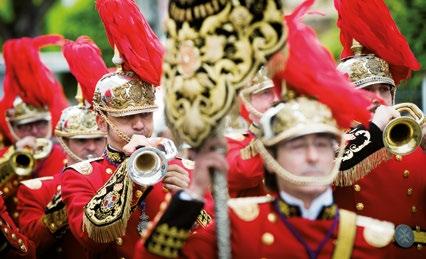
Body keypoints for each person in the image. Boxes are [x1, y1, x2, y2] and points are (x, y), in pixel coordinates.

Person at [134, 1, 395, 257]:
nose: (313, 156)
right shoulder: (239, 225)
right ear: (271, 158)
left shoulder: (372, 239)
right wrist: (192, 195)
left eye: (322, 144)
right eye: (297, 145)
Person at [60, 1, 212, 258]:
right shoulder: (79, 176)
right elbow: (90, 237)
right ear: (101, 122)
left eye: (145, 115)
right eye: (127, 117)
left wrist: (187, 200)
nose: (140, 124)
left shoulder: (184, 169)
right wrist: (129, 174)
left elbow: (216, 241)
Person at [332, 0, 426, 256]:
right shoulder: (330, 140)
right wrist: (374, 130)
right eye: (366, 90)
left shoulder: (414, 138)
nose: (377, 98)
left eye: (384, 89)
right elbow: (330, 172)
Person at [15, 36, 108, 259]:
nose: (92, 147)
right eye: (81, 141)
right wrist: (64, 201)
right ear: (64, 142)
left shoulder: (121, 176)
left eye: (98, 139)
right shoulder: (35, 190)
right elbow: (31, 246)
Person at [0, 35, 68, 222]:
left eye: (40, 124)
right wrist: (12, 158)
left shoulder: (65, 153)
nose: (35, 132)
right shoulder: (4, 148)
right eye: (26, 126)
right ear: (11, 126)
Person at [226, 67, 280, 197]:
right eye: (266, 93)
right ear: (246, 99)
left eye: (278, 91)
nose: (276, 99)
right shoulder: (232, 139)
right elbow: (242, 173)